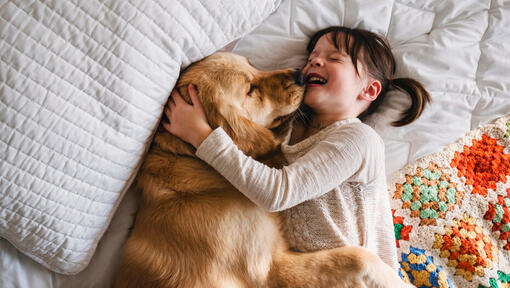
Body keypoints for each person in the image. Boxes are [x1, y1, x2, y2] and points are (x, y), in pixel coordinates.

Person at [162, 26, 431, 272]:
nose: (314, 61)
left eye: (334, 58)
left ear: (369, 90)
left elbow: (277, 192)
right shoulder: (287, 133)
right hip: (303, 273)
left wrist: (201, 135)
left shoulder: (357, 139)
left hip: (360, 277)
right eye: (312, 56)